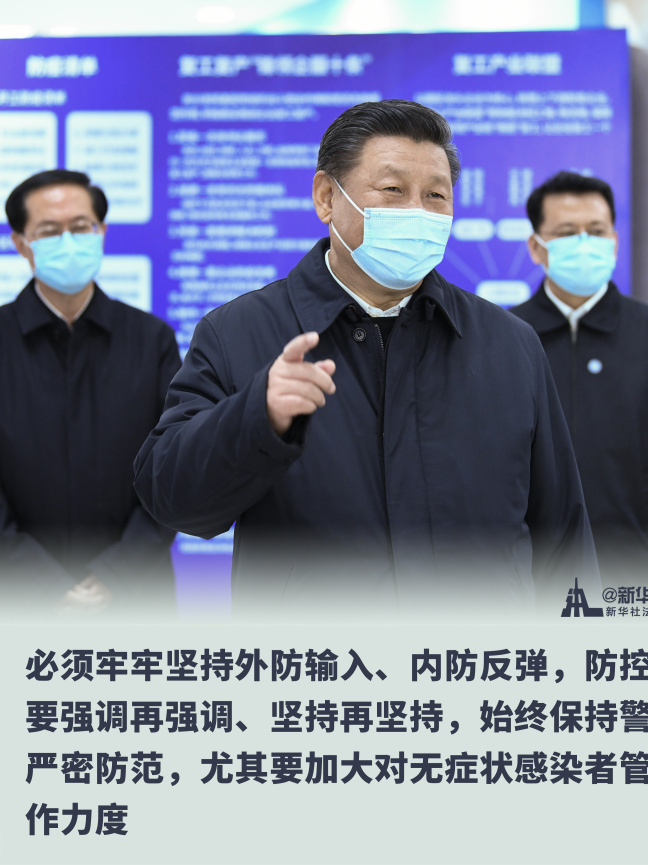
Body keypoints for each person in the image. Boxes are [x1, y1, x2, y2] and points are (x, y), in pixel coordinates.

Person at [134, 100, 598, 621]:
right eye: (393, 190)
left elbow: (564, 538)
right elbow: (172, 500)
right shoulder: (238, 333)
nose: (418, 212)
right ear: (327, 197)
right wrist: (255, 420)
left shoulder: (510, 344)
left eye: (436, 195)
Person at [512, 170, 648, 606]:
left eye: (596, 230)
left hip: (639, 589)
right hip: (534, 590)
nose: (584, 243)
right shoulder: (504, 339)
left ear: (615, 241)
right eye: (567, 232)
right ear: (536, 246)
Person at [1, 169, 181, 616]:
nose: (68, 241)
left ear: (101, 231)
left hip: (135, 598)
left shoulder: (151, 339)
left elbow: (174, 467)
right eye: (49, 231)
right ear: (21, 243)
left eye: (81, 227)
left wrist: (114, 576)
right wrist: (43, 583)